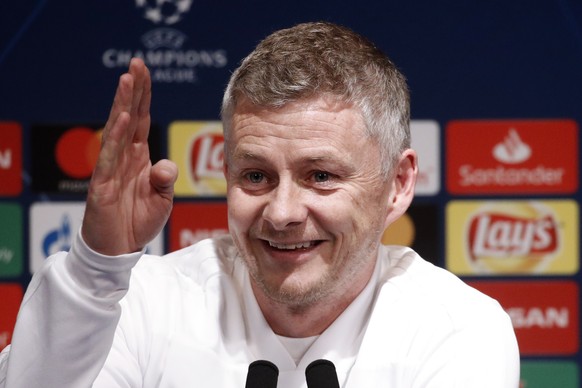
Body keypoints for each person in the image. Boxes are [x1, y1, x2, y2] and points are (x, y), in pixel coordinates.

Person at [0, 22, 519, 387]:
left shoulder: (457, 328)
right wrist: (96, 267)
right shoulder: (140, 304)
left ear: (398, 184)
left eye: (320, 176)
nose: (281, 212)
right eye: (256, 175)